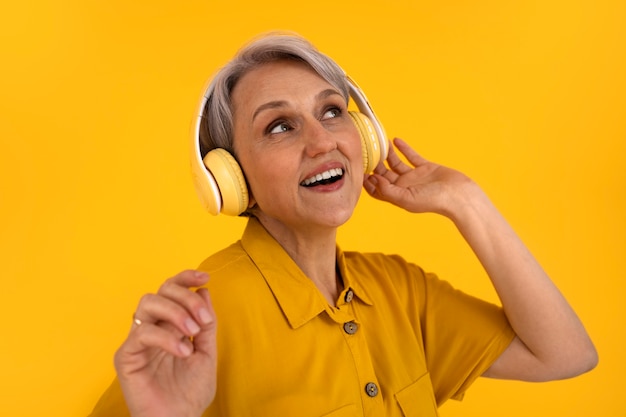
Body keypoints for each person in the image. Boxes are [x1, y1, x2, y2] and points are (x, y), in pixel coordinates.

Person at [89, 32, 597, 417]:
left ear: (365, 139)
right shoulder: (203, 314)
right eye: (280, 126)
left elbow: (564, 356)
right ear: (231, 178)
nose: (322, 142)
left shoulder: (399, 289)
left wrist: (468, 202)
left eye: (332, 112)